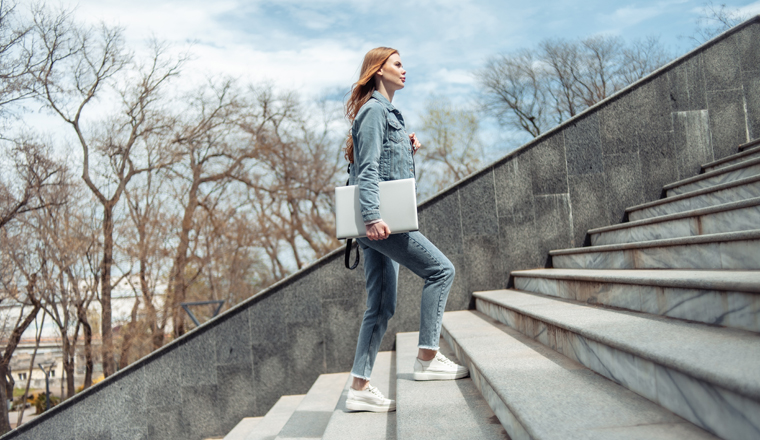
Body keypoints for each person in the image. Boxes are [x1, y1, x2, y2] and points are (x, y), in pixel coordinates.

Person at [343, 47, 468, 413]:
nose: (404, 69)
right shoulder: (373, 111)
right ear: (378, 71)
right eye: (397, 64)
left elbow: (384, 165)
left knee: (381, 306)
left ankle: (359, 387)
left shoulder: (385, 114)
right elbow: (366, 169)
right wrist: (371, 217)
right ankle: (428, 356)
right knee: (441, 270)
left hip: (378, 222)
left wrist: (407, 147)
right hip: (381, 223)